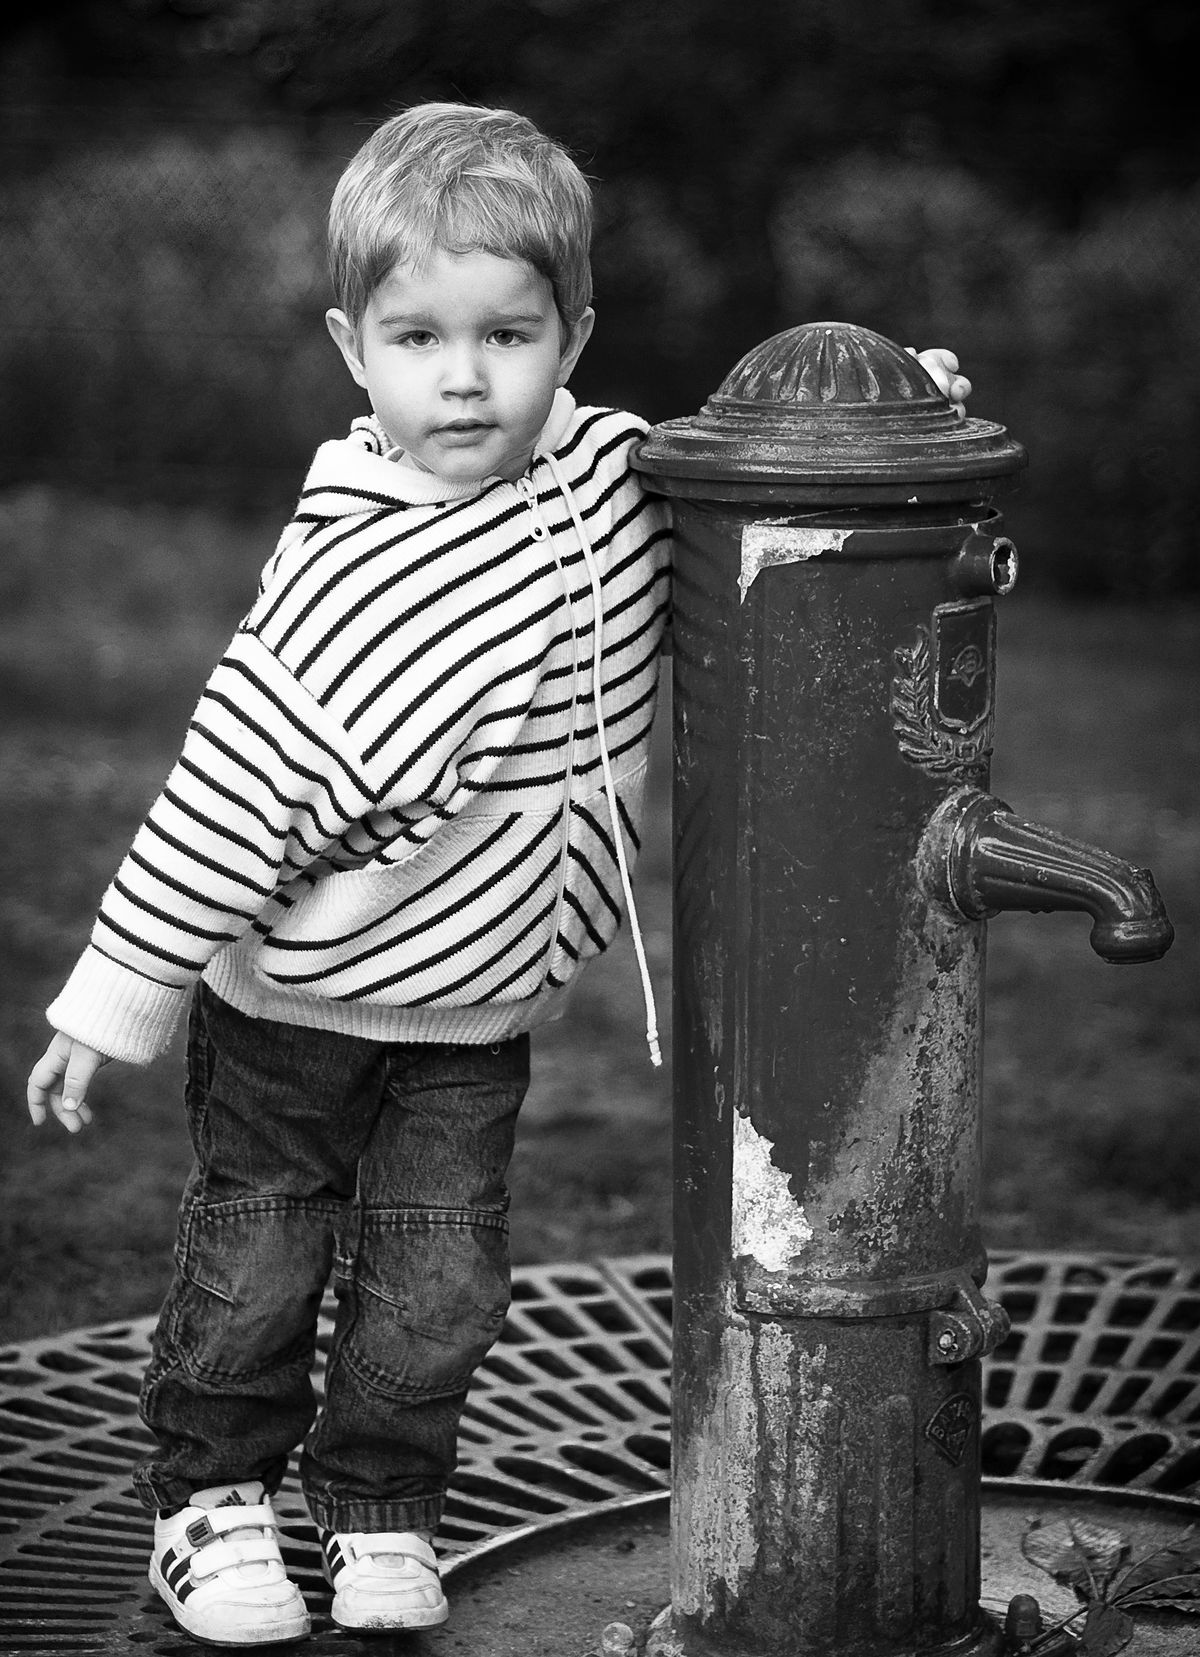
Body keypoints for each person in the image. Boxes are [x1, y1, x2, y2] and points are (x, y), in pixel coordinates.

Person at [26, 102, 971, 1646]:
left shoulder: (604, 474)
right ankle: (212, 1497)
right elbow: (223, 786)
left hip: (478, 1004)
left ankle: (380, 1504)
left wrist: (893, 424)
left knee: (439, 1283)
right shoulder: (347, 561)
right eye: (417, 337)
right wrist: (116, 997)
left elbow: (749, 470)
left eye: (507, 334)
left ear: (572, 332)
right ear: (353, 348)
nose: (464, 379)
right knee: (261, 1258)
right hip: (303, 999)